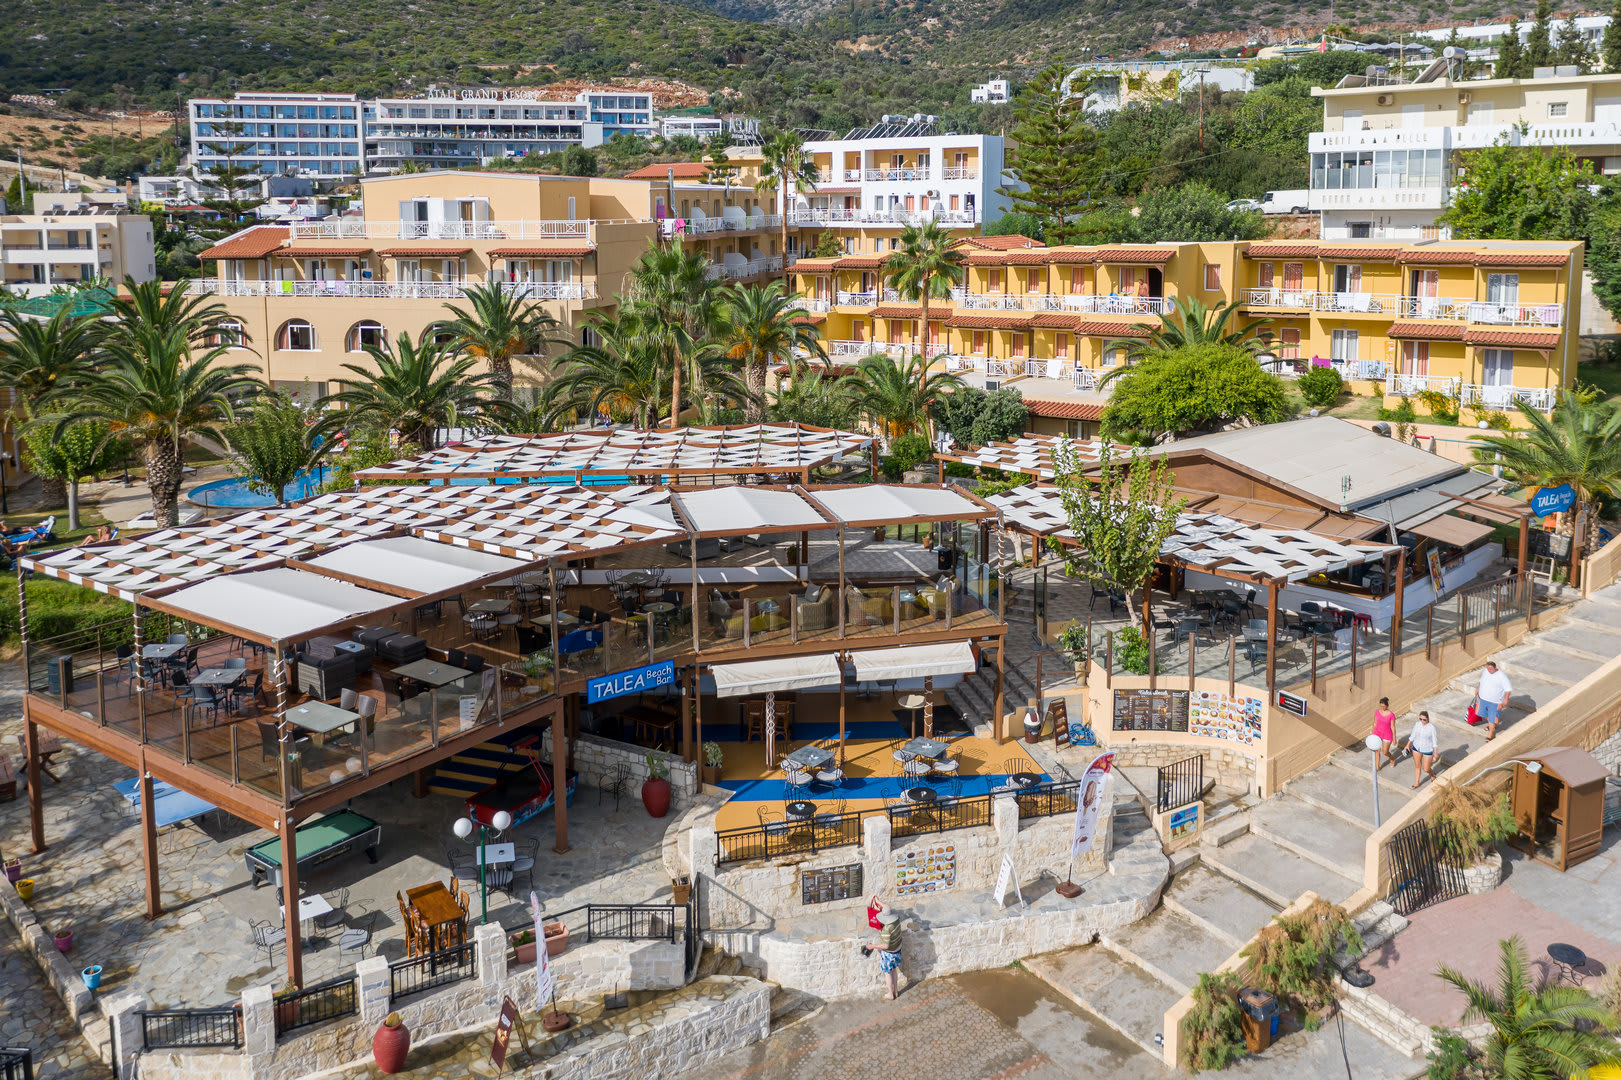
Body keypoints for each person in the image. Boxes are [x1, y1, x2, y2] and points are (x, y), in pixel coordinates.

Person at [1476, 661, 1513, 742]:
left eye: (1491, 669)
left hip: (1495, 702)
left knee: (1492, 718)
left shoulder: (1501, 676)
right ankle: (1493, 724)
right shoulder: (1485, 672)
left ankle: (1490, 734)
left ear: (1495, 668)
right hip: (1483, 699)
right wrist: (1478, 689)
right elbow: (1481, 681)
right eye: (1488, 669)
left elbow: (1508, 689)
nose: (1489, 670)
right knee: (1481, 713)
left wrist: (1506, 699)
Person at [874, 908, 903, 999]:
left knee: (888, 973)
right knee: (894, 970)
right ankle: (896, 991)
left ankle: (890, 994)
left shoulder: (886, 929)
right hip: (898, 950)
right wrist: (877, 902)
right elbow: (887, 907)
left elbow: (886, 946)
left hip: (889, 954)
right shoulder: (897, 920)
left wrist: (872, 946)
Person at [1405, 710, 1438, 788]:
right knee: (1417, 766)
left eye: (1424, 719)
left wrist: (1435, 753)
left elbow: (1434, 741)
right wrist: (1407, 745)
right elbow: (1412, 735)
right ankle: (1417, 783)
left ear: (1428, 719)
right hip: (1416, 748)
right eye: (1420, 719)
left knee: (1426, 769)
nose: (1422, 721)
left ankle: (1432, 774)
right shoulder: (1417, 724)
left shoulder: (1431, 728)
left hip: (1427, 749)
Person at [1372, 697, 1397, 770]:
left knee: (1385, 752)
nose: (1382, 708)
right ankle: (1377, 767)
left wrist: (1394, 738)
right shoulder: (1377, 712)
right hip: (1377, 733)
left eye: (1384, 706)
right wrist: (1372, 733)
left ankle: (1392, 758)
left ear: (1387, 705)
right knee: (1377, 750)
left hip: (1387, 734)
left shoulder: (1391, 715)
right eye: (1381, 706)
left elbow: (1392, 727)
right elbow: (1375, 723)